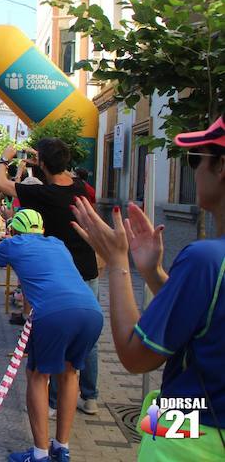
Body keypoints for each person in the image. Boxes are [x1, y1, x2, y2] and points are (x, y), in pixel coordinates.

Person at [69, 116, 225, 461]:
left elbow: (136, 356)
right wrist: (154, 273)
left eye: (195, 159)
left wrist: (117, 262)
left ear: (221, 167)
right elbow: (206, 323)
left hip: (190, 430)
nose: (194, 170)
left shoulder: (205, 259)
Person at [0, 209, 103, 462]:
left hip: (54, 314)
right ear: (42, 230)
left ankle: (40, 454)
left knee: (37, 375)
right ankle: (61, 448)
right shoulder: (57, 243)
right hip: (92, 311)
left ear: (14, 231)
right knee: (69, 373)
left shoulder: (12, 243)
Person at [0, 139, 101, 416]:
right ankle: (90, 397)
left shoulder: (46, 194)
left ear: (41, 163)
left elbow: (1, 184)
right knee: (87, 342)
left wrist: (4, 159)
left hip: (59, 275)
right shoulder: (81, 190)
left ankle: (51, 403)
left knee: (55, 339)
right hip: (87, 270)